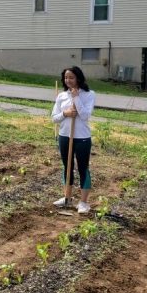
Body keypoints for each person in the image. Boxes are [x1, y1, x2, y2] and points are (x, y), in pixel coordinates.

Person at [51, 66, 95, 214]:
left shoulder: (89, 95)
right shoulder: (62, 96)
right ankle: (67, 197)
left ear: (78, 78)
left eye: (71, 77)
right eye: (66, 78)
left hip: (82, 138)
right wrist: (65, 113)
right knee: (67, 166)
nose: (68, 80)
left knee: (83, 168)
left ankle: (83, 202)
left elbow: (85, 116)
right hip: (64, 136)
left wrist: (76, 97)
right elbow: (54, 118)